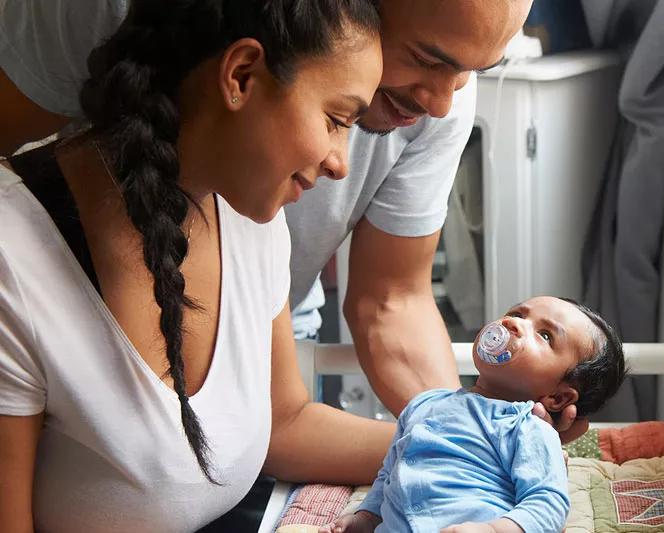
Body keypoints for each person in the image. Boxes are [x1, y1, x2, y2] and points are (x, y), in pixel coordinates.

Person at [0, 0, 592, 441]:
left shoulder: (257, 243)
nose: (442, 103)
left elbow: (389, 300)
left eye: (474, 72)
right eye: (428, 60)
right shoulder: (100, 14)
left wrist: (469, 437)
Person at [0, 1, 394, 531]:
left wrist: (463, 438)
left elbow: (286, 423)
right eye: (335, 120)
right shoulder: (14, 255)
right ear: (241, 75)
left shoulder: (254, 217)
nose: (340, 161)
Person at [320, 296, 627, 533]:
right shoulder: (423, 404)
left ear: (558, 397)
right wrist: (367, 516)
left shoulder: (527, 428)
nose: (513, 323)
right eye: (518, 313)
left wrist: (495, 528)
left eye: (545, 335)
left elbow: (549, 503)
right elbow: (390, 472)